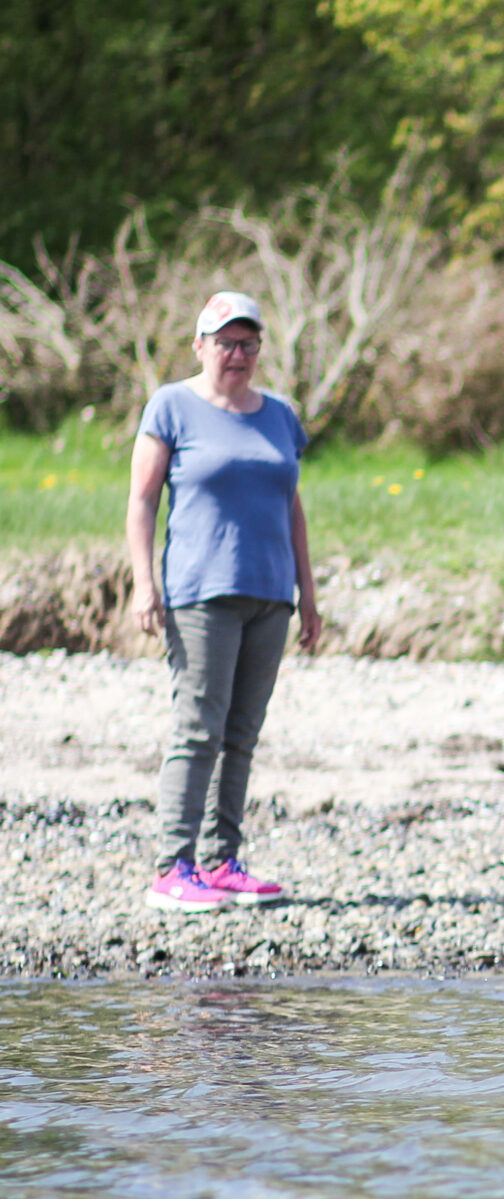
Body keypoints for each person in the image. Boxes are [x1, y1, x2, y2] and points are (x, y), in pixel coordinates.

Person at [126, 290, 324, 913]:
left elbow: (291, 504)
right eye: (225, 343)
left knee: (242, 735)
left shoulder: (280, 414)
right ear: (200, 345)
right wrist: (143, 583)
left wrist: (308, 595)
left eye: (248, 344)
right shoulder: (172, 406)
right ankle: (172, 867)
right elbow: (141, 501)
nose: (237, 354)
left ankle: (221, 860)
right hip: (200, 592)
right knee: (198, 730)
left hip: (270, 593)